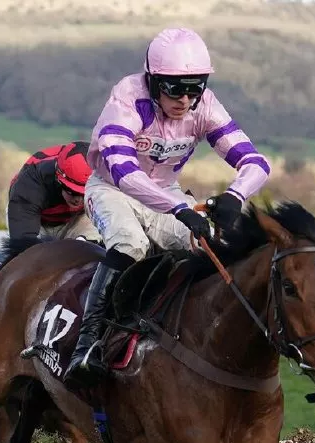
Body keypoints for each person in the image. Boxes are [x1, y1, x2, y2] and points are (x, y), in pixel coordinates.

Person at [67, 27, 272, 381]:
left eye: (195, 88)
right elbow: (126, 174)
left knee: (205, 243)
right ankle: (86, 344)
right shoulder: (128, 97)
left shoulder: (204, 106)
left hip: (165, 190)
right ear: (153, 81)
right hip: (112, 188)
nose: (185, 100)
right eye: (176, 89)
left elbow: (256, 162)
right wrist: (179, 209)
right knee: (131, 243)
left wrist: (235, 195)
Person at [6, 141, 98, 244]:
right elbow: (23, 242)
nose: (78, 200)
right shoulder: (30, 184)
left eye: (84, 194)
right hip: (38, 220)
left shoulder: (104, 179)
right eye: (72, 191)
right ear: (58, 179)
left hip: (78, 217)